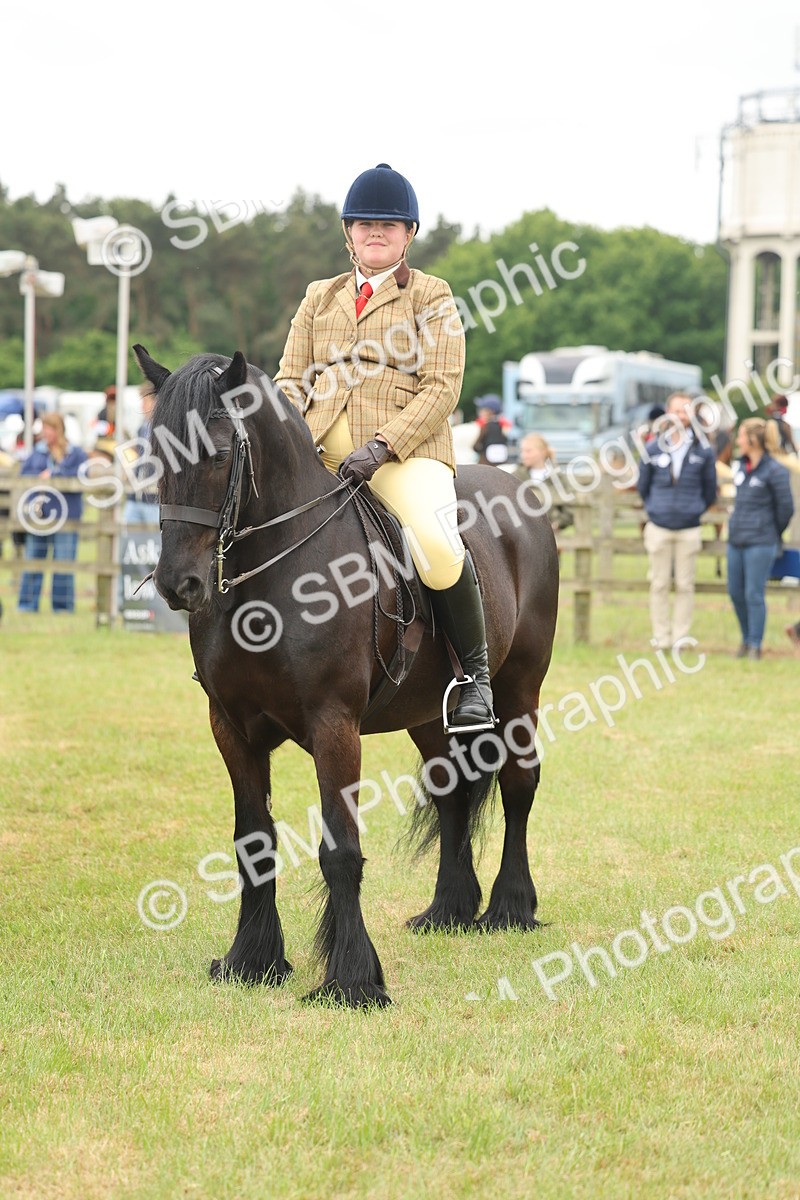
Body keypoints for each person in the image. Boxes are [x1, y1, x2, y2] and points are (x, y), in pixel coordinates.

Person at [274, 163, 495, 731]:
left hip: (404, 451)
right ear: (347, 232)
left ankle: (474, 678)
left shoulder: (432, 296)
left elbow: (443, 386)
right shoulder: (319, 298)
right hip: (319, 449)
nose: (376, 232)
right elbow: (290, 379)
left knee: (436, 542)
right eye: (365, 223)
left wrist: (382, 446)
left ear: (409, 234)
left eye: (389, 225)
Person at [636, 391, 717, 649]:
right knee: (658, 584)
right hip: (659, 526)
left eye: (686, 410)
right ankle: (661, 638)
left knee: (685, 585)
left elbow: (709, 490)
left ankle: (681, 637)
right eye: (677, 410)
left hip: (689, 528)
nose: (681, 415)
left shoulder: (703, 450)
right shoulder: (652, 447)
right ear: (668, 414)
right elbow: (643, 486)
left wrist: (693, 510)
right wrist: (655, 508)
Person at [727, 418, 794, 660]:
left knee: (754, 593)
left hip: (761, 540)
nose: (738, 441)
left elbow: (786, 508)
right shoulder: (740, 467)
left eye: (742, 436)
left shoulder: (775, 470)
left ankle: (756, 643)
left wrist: (769, 530)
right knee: (735, 591)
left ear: (753, 440)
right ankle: (745, 639)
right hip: (737, 539)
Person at [17, 412, 88, 613]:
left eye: (49, 428)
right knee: (33, 561)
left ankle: (63, 606)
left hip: (66, 517)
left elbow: (82, 475)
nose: (45, 433)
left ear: (58, 429)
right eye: (44, 428)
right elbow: (24, 476)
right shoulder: (37, 453)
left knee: (64, 563)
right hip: (40, 517)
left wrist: (54, 475)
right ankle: (27, 605)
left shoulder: (75, 454)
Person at [511, 433, 573, 532]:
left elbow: (569, 507)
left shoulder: (557, 477)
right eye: (522, 451)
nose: (524, 455)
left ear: (542, 452)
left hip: (553, 534)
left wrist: (557, 524)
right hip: (523, 533)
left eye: (529, 451)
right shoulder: (516, 476)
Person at [124, 383, 159, 527]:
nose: (142, 407)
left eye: (145, 402)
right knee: (129, 540)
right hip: (135, 496)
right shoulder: (141, 428)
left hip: (154, 498)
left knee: (155, 543)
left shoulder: (166, 430)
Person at [472, 395, 510, 465]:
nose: (480, 413)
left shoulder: (485, 427)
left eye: (482, 410)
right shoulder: (504, 426)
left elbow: (475, 446)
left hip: (486, 463)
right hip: (502, 463)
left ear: (490, 412)